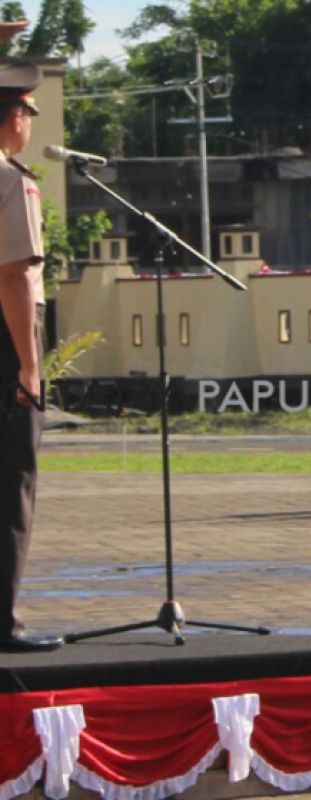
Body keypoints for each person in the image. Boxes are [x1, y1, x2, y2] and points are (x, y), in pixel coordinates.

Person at [0, 62, 61, 653]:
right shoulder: (10, 181)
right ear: (14, 117)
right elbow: (14, 276)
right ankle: (2, 622)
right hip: (4, 337)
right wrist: (29, 366)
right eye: (24, 113)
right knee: (10, 481)